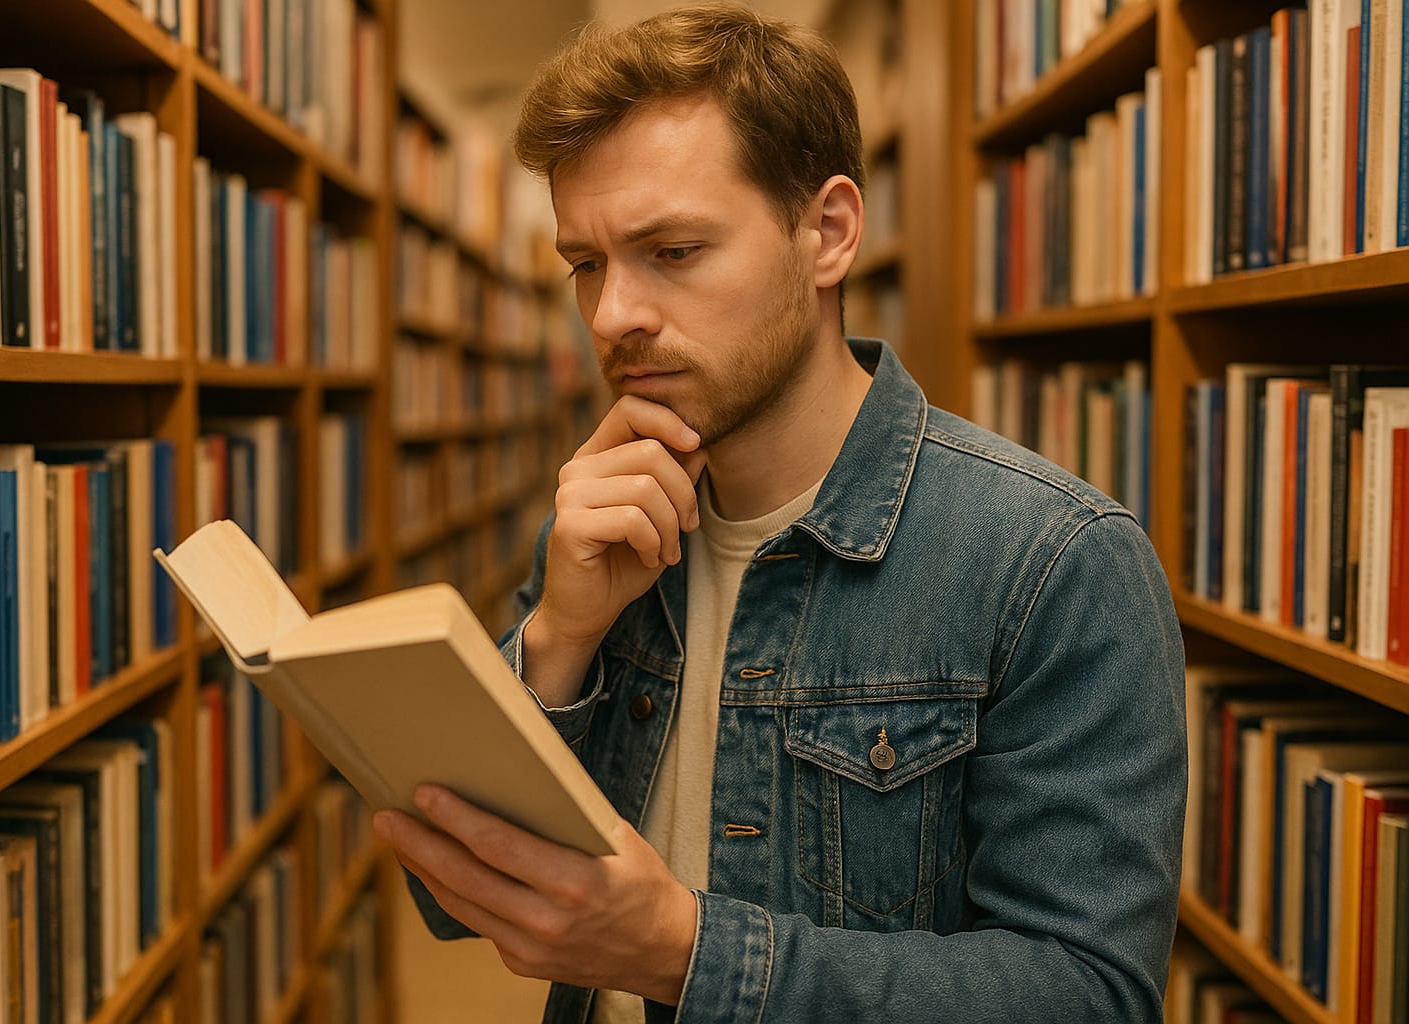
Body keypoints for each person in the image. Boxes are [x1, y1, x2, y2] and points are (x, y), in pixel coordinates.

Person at [372, 5, 1187, 1022]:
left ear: (829, 233)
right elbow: (451, 898)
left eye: (672, 250)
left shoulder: (1053, 563)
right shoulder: (598, 526)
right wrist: (557, 640)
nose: (614, 313)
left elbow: (1088, 995)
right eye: (585, 263)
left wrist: (685, 954)